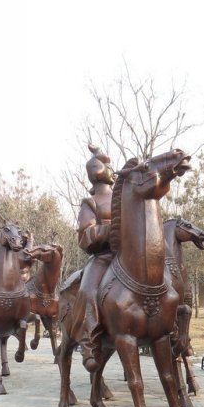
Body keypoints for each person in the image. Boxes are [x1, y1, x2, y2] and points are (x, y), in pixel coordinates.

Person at [73, 145, 115, 372]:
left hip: (128, 255)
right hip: (103, 257)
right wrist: (108, 230)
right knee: (88, 290)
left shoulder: (123, 198)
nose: (110, 169)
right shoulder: (90, 203)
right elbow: (84, 235)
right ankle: (88, 342)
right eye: (105, 165)